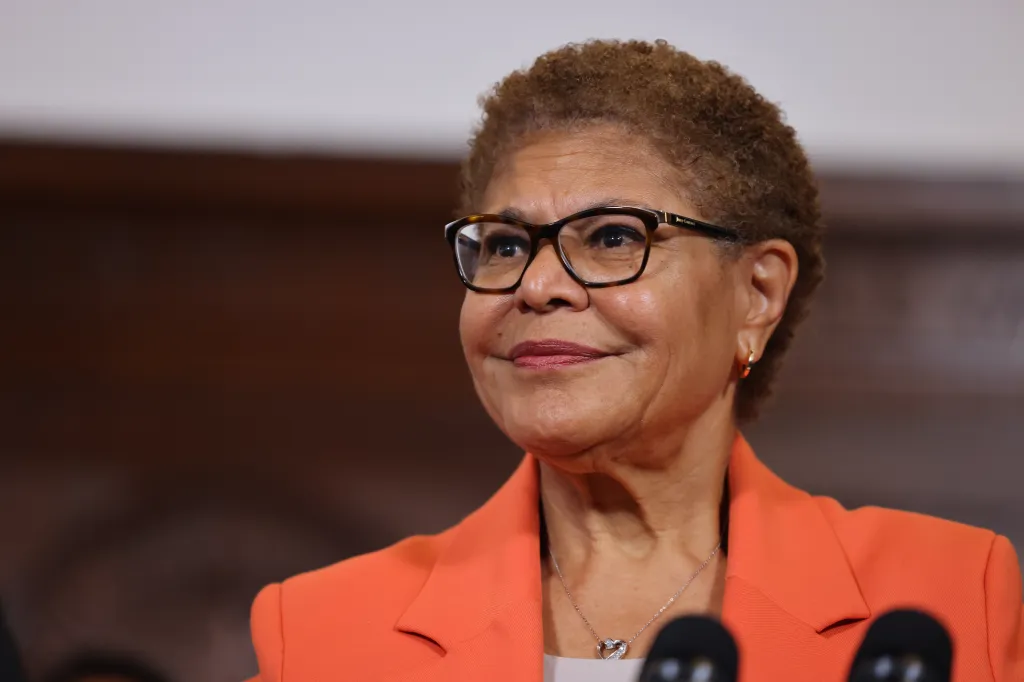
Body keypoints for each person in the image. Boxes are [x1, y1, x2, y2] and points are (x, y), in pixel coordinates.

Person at [245, 40, 1023, 682]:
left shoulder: (952, 595)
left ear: (757, 293)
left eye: (614, 236)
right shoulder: (321, 635)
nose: (538, 286)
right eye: (507, 246)